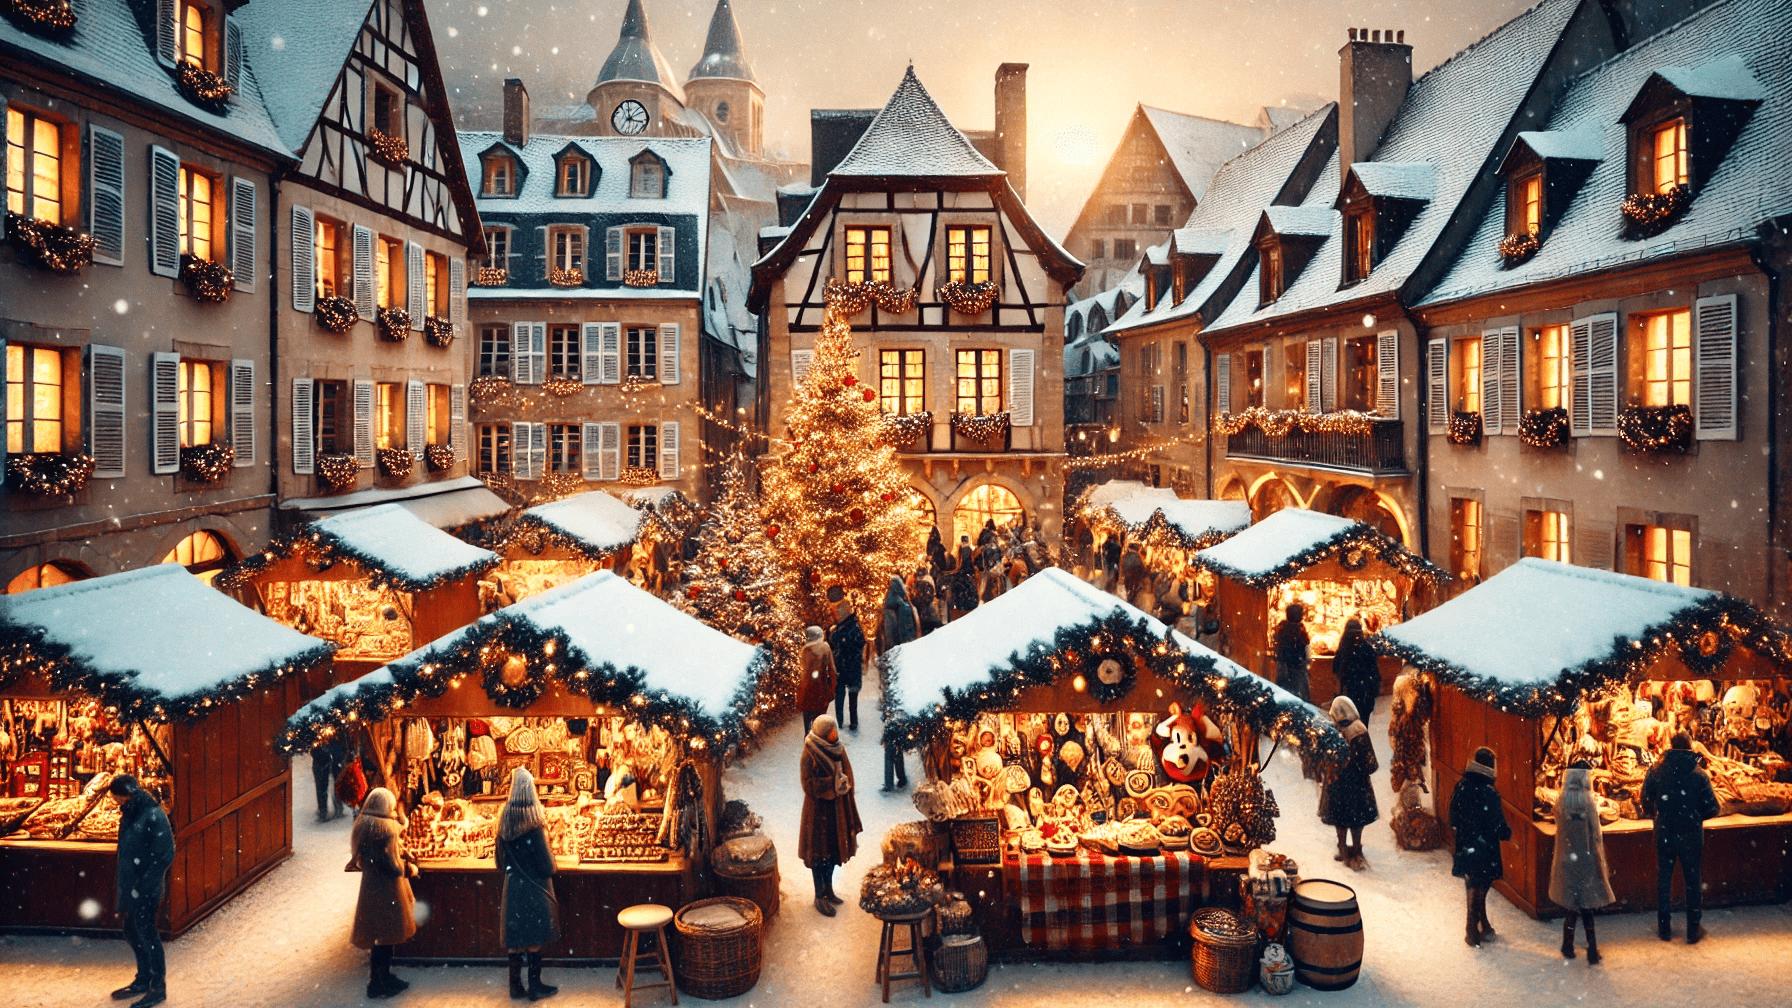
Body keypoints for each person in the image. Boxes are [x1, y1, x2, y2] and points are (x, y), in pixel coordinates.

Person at [1642, 732, 1720, 943]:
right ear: (1690, 748)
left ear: (1671, 746)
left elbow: (1645, 802)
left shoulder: (1656, 771)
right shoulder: (1699, 775)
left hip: (1665, 832)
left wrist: (1660, 813)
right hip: (1691, 835)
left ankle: (1664, 928)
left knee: (1664, 880)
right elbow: (1713, 808)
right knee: (1692, 881)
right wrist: (1693, 816)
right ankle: (1693, 930)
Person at [109, 776, 174, 1008]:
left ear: (123, 794)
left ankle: (158, 986)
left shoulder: (153, 814)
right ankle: (144, 978)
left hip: (146, 887)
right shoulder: (131, 810)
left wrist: (146, 883)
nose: (114, 800)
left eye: (115, 795)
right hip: (131, 884)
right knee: (131, 929)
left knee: (147, 933)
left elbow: (166, 853)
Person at [497, 769, 560, 1000]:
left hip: (513, 888)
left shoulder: (504, 821)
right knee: (534, 941)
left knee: (516, 941)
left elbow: (499, 862)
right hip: (535, 888)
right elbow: (547, 866)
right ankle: (535, 985)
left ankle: (515, 987)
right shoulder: (535, 823)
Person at [350, 787, 418, 999]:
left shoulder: (363, 824)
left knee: (378, 937)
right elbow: (393, 865)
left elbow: (363, 857)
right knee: (387, 936)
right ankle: (379, 982)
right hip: (388, 890)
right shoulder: (386, 829)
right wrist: (409, 867)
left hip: (371, 887)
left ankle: (380, 977)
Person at [798, 713, 863, 916]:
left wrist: (845, 785)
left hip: (837, 810)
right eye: (831, 731)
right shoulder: (810, 753)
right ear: (823, 734)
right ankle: (819, 895)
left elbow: (848, 771)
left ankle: (829, 890)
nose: (835, 733)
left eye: (835, 729)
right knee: (819, 855)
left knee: (833, 852)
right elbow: (807, 784)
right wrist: (830, 784)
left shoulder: (839, 749)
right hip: (818, 813)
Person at [1550, 762, 1615, 963]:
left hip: (1566, 858)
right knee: (1587, 906)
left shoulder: (1561, 800)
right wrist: (1600, 859)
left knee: (1571, 905)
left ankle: (1567, 944)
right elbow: (1595, 834)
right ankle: (1592, 948)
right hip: (1585, 859)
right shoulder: (1588, 802)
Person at [1450, 747, 1511, 948]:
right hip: (1485, 847)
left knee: (1471, 884)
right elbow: (1497, 823)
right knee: (1481, 885)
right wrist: (1505, 832)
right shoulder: (1489, 793)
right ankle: (1472, 928)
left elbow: (1453, 816)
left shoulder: (1462, 786)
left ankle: (1478, 925)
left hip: (1467, 844)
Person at [1319, 696, 1379, 871]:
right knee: (1356, 818)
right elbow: (1370, 761)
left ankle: (1343, 847)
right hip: (1357, 783)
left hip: (1338, 783)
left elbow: (1326, 755)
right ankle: (1356, 849)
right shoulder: (1359, 729)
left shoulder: (1333, 730)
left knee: (1340, 817)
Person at [879, 576, 920, 791]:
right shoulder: (904, 608)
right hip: (900, 660)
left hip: (889, 659)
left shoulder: (886, 608)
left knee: (891, 738)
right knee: (894, 737)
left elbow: (883, 635)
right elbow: (908, 634)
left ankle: (893, 779)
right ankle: (897, 777)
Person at [1333, 617, 1381, 723]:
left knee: (1349, 725)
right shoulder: (1367, 649)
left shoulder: (1343, 650)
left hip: (1349, 692)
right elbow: (1375, 673)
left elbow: (1335, 668)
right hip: (1365, 693)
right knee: (1363, 722)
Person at [830, 602, 867, 731]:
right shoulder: (854, 626)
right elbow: (861, 642)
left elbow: (834, 640)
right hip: (852, 666)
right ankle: (853, 721)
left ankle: (841, 720)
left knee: (841, 695)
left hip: (843, 665)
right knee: (851, 696)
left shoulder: (844, 628)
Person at [798, 625, 836, 734]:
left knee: (807, 723)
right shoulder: (825, 648)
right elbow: (832, 670)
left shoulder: (804, 650)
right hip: (821, 690)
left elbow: (801, 672)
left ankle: (807, 742)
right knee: (820, 723)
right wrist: (831, 689)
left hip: (806, 691)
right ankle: (818, 744)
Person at [1272, 604, 1312, 703]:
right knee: (1299, 694)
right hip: (1297, 666)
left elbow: (1277, 644)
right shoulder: (1300, 631)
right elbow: (1306, 647)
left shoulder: (1282, 629)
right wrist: (1307, 661)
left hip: (1284, 666)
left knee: (1285, 692)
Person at [312, 732, 348, 822]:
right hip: (323, 754)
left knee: (336, 782)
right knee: (323, 783)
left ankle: (335, 808)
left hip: (334, 753)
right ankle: (324, 810)